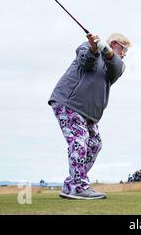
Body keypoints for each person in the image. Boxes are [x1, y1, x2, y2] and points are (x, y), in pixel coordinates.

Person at [49, 33, 131, 200]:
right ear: (115, 44)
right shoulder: (86, 47)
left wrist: (105, 50)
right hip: (68, 102)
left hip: (88, 113)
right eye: (123, 49)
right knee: (80, 141)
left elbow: (116, 66)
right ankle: (78, 186)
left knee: (94, 144)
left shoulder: (117, 65)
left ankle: (71, 184)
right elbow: (86, 63)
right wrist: (94, 48)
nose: (124, 54)